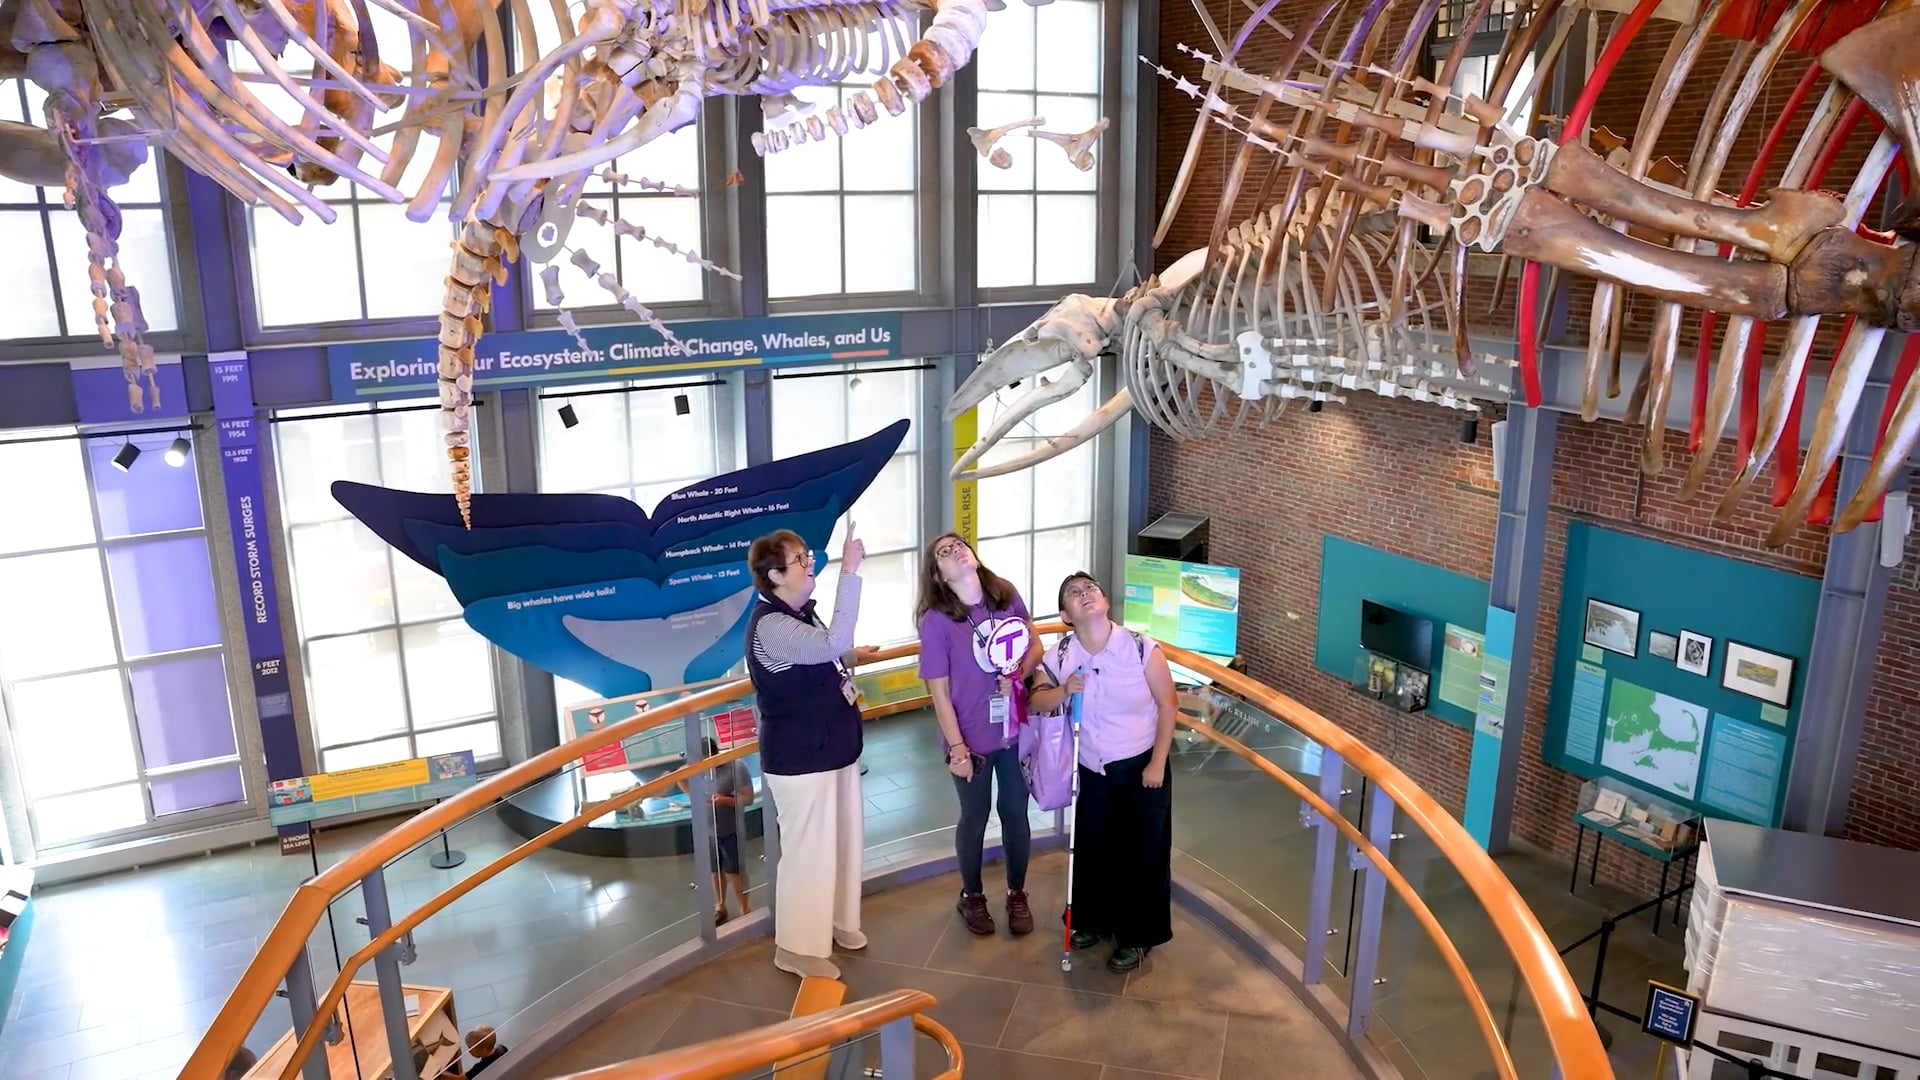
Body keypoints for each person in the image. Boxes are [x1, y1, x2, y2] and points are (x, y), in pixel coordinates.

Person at [745, 525, 879, 980]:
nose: (810, 563)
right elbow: (830, 646)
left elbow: (829, 653)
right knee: (809, 852)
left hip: (833, 746)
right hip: (801, 757)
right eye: (801, 559)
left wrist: (851, 655)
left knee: (842, 841)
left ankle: (839, 921)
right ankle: (797, 948)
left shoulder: (800, 615)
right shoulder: (773, 624)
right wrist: (851, 569)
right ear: (776, 575)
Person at [1026, 571, 1178, 973]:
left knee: (1142, 854)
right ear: (1066, 614)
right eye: (1074, 593)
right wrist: (1064, 691)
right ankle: (1092, 920)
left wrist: (1158, 761)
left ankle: (1137, 936)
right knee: (1093, 848)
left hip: (1141, 766)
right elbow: (1037, 701)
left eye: (1090, 588)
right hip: (1090, 768)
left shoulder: (1143, 648)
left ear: (1105, 599)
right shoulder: (1060, 655)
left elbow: (1168, 705)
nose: (1086, 593)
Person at [915, 532, 1043, 936]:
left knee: (1015, 814)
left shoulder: (1004, 595)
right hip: (969, 738)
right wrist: (958, 748)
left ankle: (1016, 893)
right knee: (974, 816)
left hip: (1013, 730)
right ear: (937, 575)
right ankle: (972, 896)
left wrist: (1018, 674)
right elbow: (937, 691)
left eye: (959, 545)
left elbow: (1034, 644)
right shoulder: (936, 621)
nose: (956, 552)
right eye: (945, 552)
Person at [680, 735, 754, 924]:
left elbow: (748, 798)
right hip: (708, 832)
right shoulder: (699, 770)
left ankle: (744, 908)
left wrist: (726, 800)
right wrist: (694, 796)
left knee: (735, 871)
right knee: (715, 871)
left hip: (731, 830)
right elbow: (681, 777)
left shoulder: (736, 768)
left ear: (711, 755)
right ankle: (720, 905)